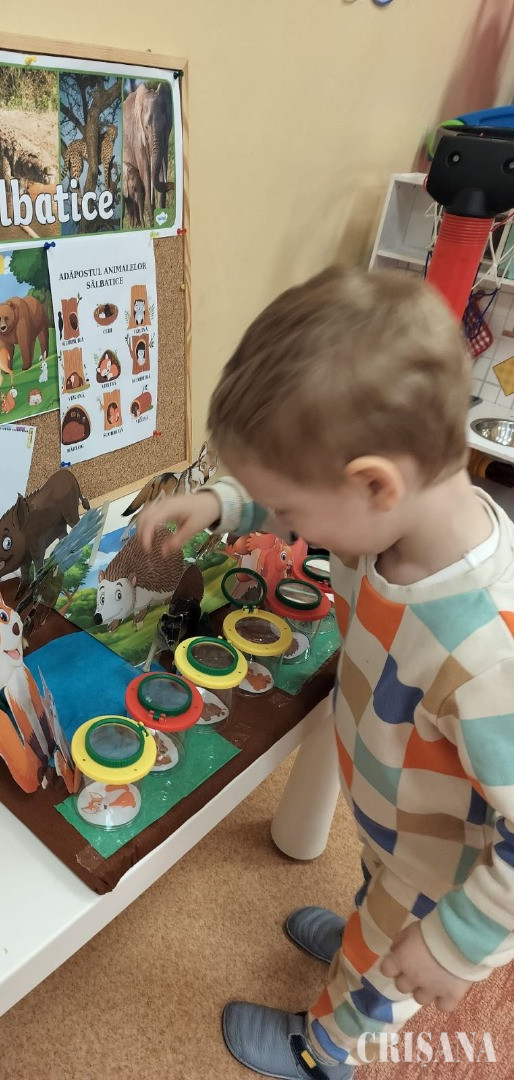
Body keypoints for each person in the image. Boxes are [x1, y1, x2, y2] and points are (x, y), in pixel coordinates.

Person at [137, 267, 514, 1079]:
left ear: (375, 484)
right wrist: (223, 504)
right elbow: (305, 491)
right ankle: (365, 933)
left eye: (291, 513)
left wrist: (456, 945)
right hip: (393, 824)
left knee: (380, 977)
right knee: (373, 913)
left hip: (439, 872)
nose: (287, 526)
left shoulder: (489, 652)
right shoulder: (387, 524)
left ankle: (324, 1051)